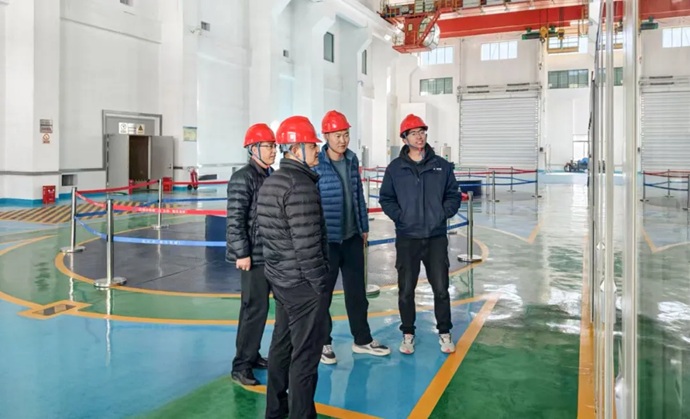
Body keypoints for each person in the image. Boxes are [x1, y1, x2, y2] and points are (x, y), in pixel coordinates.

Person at [257, 115, 330, 419]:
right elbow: (308, 245)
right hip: (303, 286)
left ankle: (275, 412)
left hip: (281, 280)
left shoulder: (272, 182)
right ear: (296, 149)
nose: (317, 151)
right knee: (305, 358)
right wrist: (320, 285)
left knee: (281, 347)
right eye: (313, 146)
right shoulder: (301, 187)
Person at [379, 114, 462, 355]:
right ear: (404, 138)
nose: (419, 136)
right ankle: (408, 333)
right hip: (408, 238)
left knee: (441, 288)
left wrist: (441, 214)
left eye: (422, 132)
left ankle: (444, 332)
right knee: (406, 290)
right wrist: (401, 217)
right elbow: (386, 198)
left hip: (436, 237)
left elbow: (453, 195)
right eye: (414, 133)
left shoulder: (441, 166)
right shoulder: (395, 169)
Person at [314, 110, 390, 365]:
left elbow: (358, 194)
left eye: (345, 134)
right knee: (323, 294)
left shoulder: (351, 159)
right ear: (326, 136)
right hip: (328, 240)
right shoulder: (317, 163)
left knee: (357, 293)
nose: (343, 140)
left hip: (353, 237)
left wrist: (363, 226)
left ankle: (362, 339)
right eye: (337, 135)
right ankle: (323, 342)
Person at [226, 123, 277, 386]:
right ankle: (241, 365)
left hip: (268, 253)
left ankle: (253, 354)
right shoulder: (242, 178)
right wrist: (242, 253)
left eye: (274, 146)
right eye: (268, 146)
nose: (273, 151)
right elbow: (235, 219)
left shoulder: (269, 175)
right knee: (252, 309)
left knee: (261, 308)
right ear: (253, 149)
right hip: (253, 256)